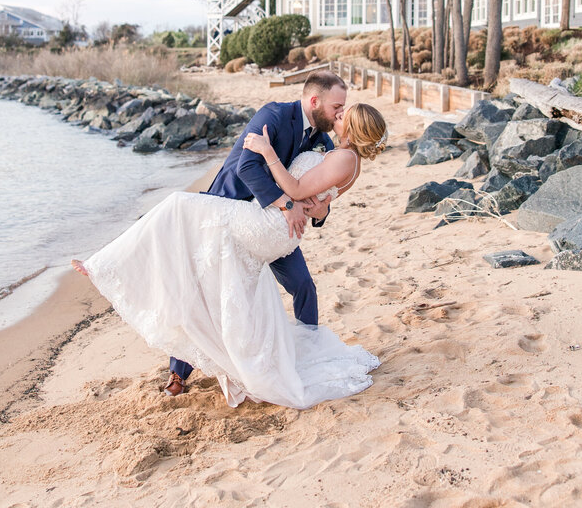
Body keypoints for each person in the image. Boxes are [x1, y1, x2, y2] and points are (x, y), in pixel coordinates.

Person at [72, 101, 389, 410]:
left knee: (177, 208)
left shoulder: (340, 154)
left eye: (344, 112)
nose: (339, 112)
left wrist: (269, 155)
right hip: (269, 221)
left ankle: (106, 263)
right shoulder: (317, 138)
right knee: (214, 279)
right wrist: (315, 205)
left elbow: (295, 188)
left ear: (353, 126)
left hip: (271, 223)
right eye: (338, 106)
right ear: (316, 100)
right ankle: (185, 369)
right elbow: (316, 191)